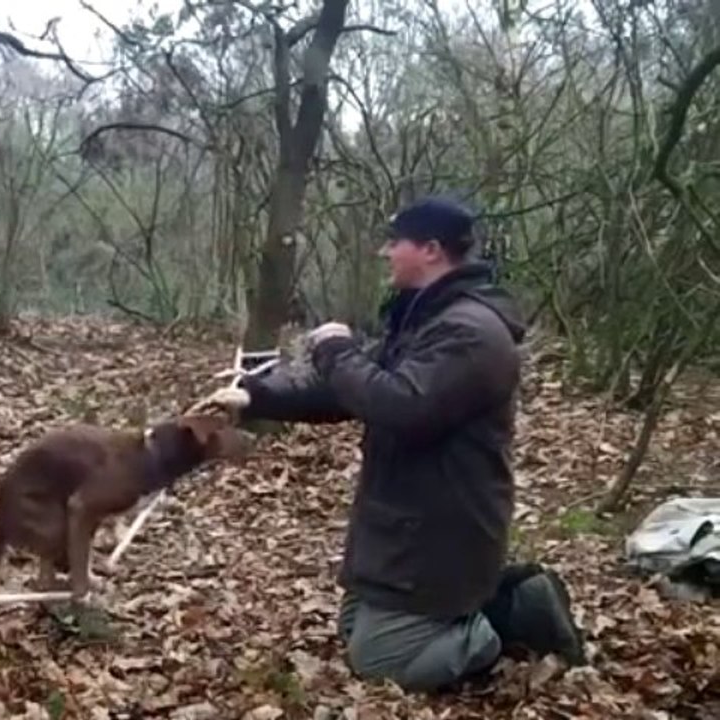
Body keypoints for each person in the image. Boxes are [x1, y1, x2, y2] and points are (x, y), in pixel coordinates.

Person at [196, 196, 587, 693]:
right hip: (405, 522)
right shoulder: (425, 318)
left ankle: (503, 624)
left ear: (430, 249)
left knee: (378, 659)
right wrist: (253, 396)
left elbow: (400, 407)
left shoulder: (472, 334)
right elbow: (352, 390)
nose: (385, 253)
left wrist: (335, 349)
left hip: (445, 530)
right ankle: (478, 609)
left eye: (394, 242)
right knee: (353, 631)